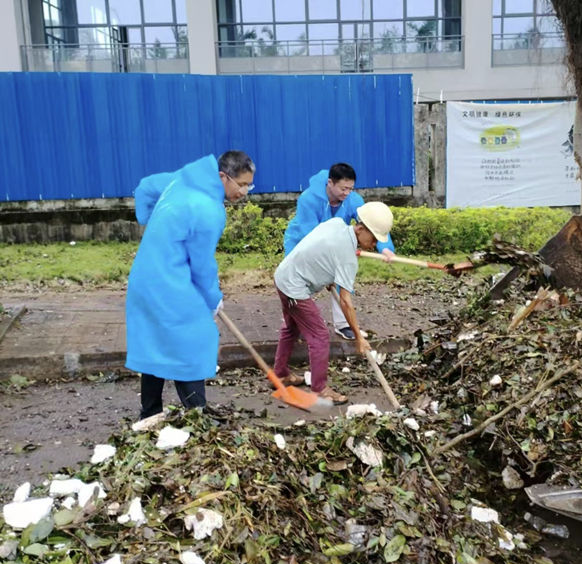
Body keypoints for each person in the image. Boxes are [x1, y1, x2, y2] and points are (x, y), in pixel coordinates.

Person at [125, 151, 255, 421]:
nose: (244, 192)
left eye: (249, 185)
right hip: (169, 281)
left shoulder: (180, 180)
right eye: (241, 184)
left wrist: (151, 222)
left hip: (145, 276)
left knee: (155, 340)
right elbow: (202, 265)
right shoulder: (209, 209)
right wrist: (213, 298)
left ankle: (149, 414)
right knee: (194, 337)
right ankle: (197, 414)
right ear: (223, 177)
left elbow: (146, 186)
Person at [272, 201, 394, 405]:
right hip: (294, 287)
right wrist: (358, 337)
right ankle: (320, 389)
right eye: (373, 238)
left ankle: (281, 374)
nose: (374, 244)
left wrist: (328, 275)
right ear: (361, 228)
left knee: (291, 328)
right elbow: (346, 302)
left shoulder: (337, 223)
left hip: (284, 275)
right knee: (319, 335)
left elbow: (320, 248)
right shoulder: (348, 257)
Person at [283, 163, 396, 340]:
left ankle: (343, 324)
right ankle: (296, 325)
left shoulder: (354, 200)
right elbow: (310, 237)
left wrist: (386, 248)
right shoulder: (308, 199)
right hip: (301, 243)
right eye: (344, 188)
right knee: (301, 284)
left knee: (343, 279)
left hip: (336, 244)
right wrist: (325, 268)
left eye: (351, 188)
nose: (347, 193)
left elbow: (372, 224)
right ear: (330, 183)